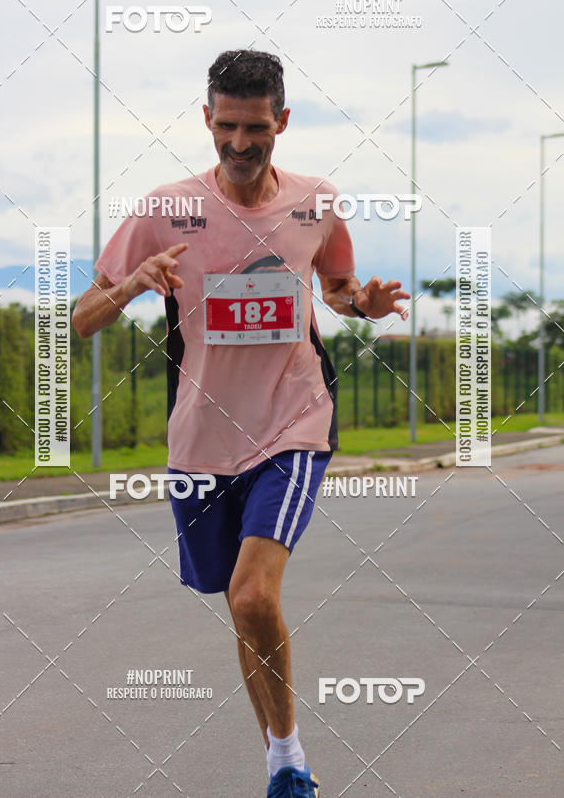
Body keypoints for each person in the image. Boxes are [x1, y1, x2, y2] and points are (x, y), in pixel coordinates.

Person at [72, 49, 409, 797]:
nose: (239, 144)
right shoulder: (165, 209)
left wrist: (367, 307)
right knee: (234, 599)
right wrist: (133, 280)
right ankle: (278, 753)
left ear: (281, 122)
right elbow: (84, 319)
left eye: (255, 128)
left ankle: (289, 765)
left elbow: (340, 289)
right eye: (226, 126)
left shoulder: (316, 203)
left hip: (293, 424)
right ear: (206, 121)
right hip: (200, 440)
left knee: (254, 595)